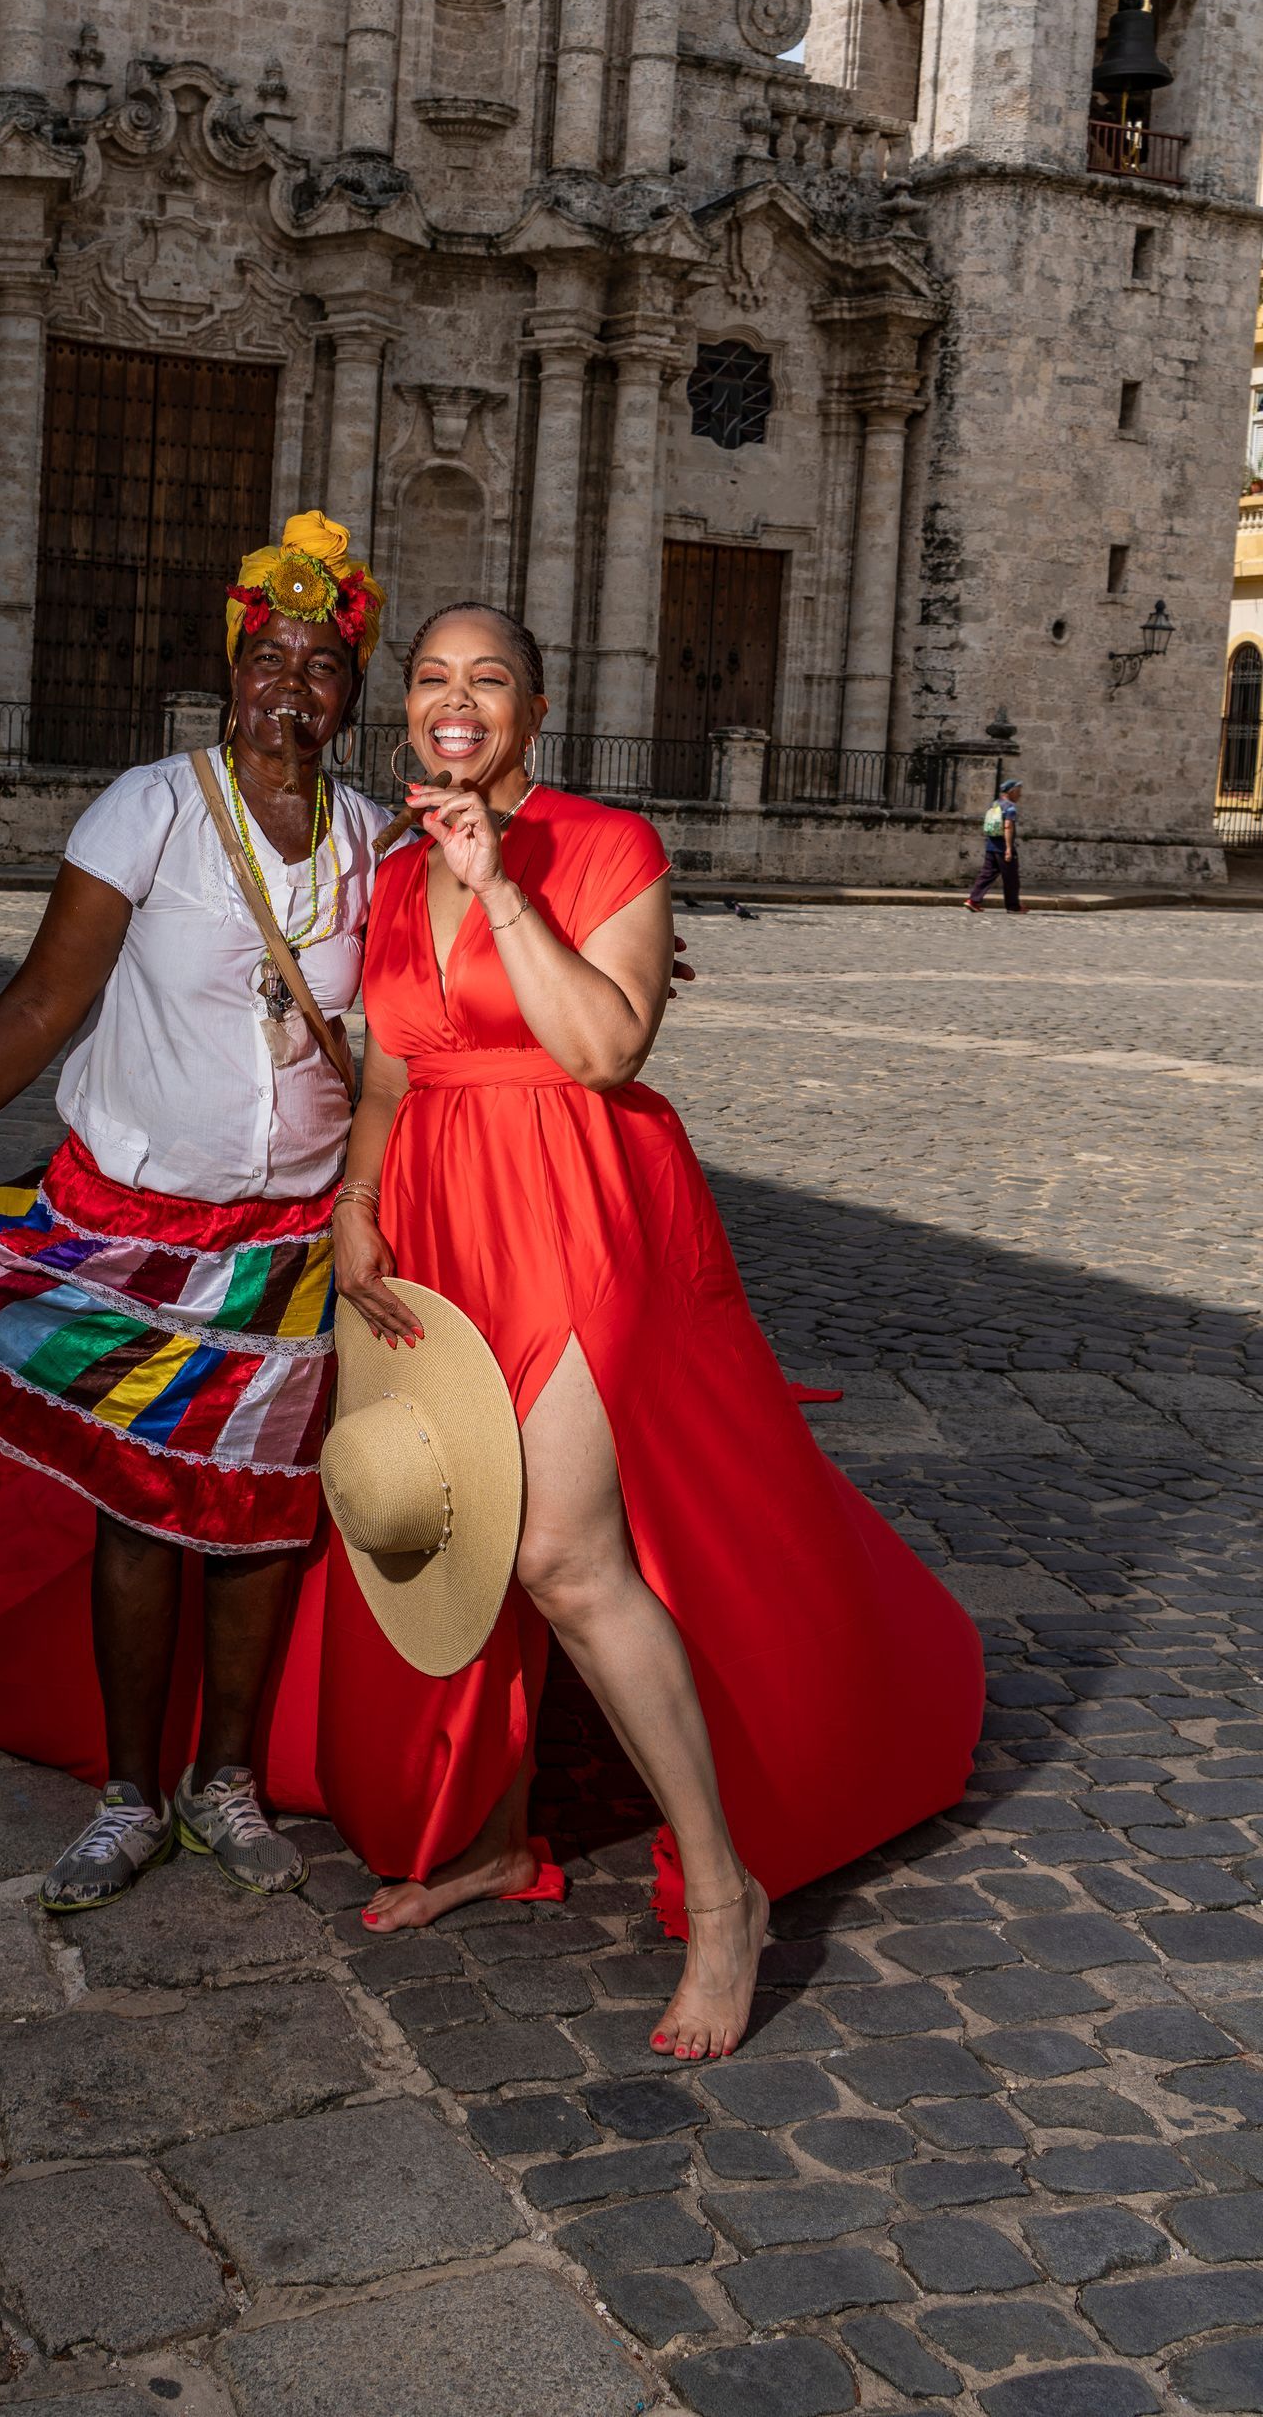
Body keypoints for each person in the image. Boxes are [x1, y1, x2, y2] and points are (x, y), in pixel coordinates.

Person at [315, 602, 985, 2060]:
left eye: (488, 680)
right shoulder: (387, 864)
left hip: (575, 1210)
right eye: (432, 677)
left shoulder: (608, 844)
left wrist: (502, 888)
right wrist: (358, 1201)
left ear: (535, 714)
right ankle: (492, 1837)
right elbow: (386, 1069)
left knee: (558, 1545)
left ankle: (730, 1890)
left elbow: (609, 1044)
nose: (456, 699)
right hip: (433, 1217)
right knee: (466, 1531)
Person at [0, 512, 396, 1909]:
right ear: (232, 672)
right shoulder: (151, 808)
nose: (287, 689)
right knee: (141, 1507)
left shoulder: (375, 844)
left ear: (350, 694)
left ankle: (222, 1781)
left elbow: (428, 1026)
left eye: (318, 667)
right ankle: (129, 1792)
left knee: (258, 1518)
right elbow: (48, 998)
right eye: (268, 660)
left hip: (292, 1246)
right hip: (132, 1230)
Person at [965, 778, 1022, 913]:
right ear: (1011, 791)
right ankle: (1014, 906)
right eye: (1018, 792)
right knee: (1011, 878)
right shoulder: (1010, 808)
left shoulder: (994, 804)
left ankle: (973, 900)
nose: (1020, 795)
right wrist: (1008, 848)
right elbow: (1007, 827)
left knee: (986, 875)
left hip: (991, 845)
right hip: (1003, 847)